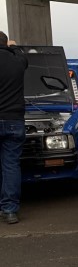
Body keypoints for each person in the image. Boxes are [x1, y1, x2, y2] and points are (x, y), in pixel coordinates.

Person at [0, 31, 28, 225]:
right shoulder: (18, 61)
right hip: (14, 119)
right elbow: (23, 57)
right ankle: (9, 210)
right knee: (10, 165)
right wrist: (13, 46)